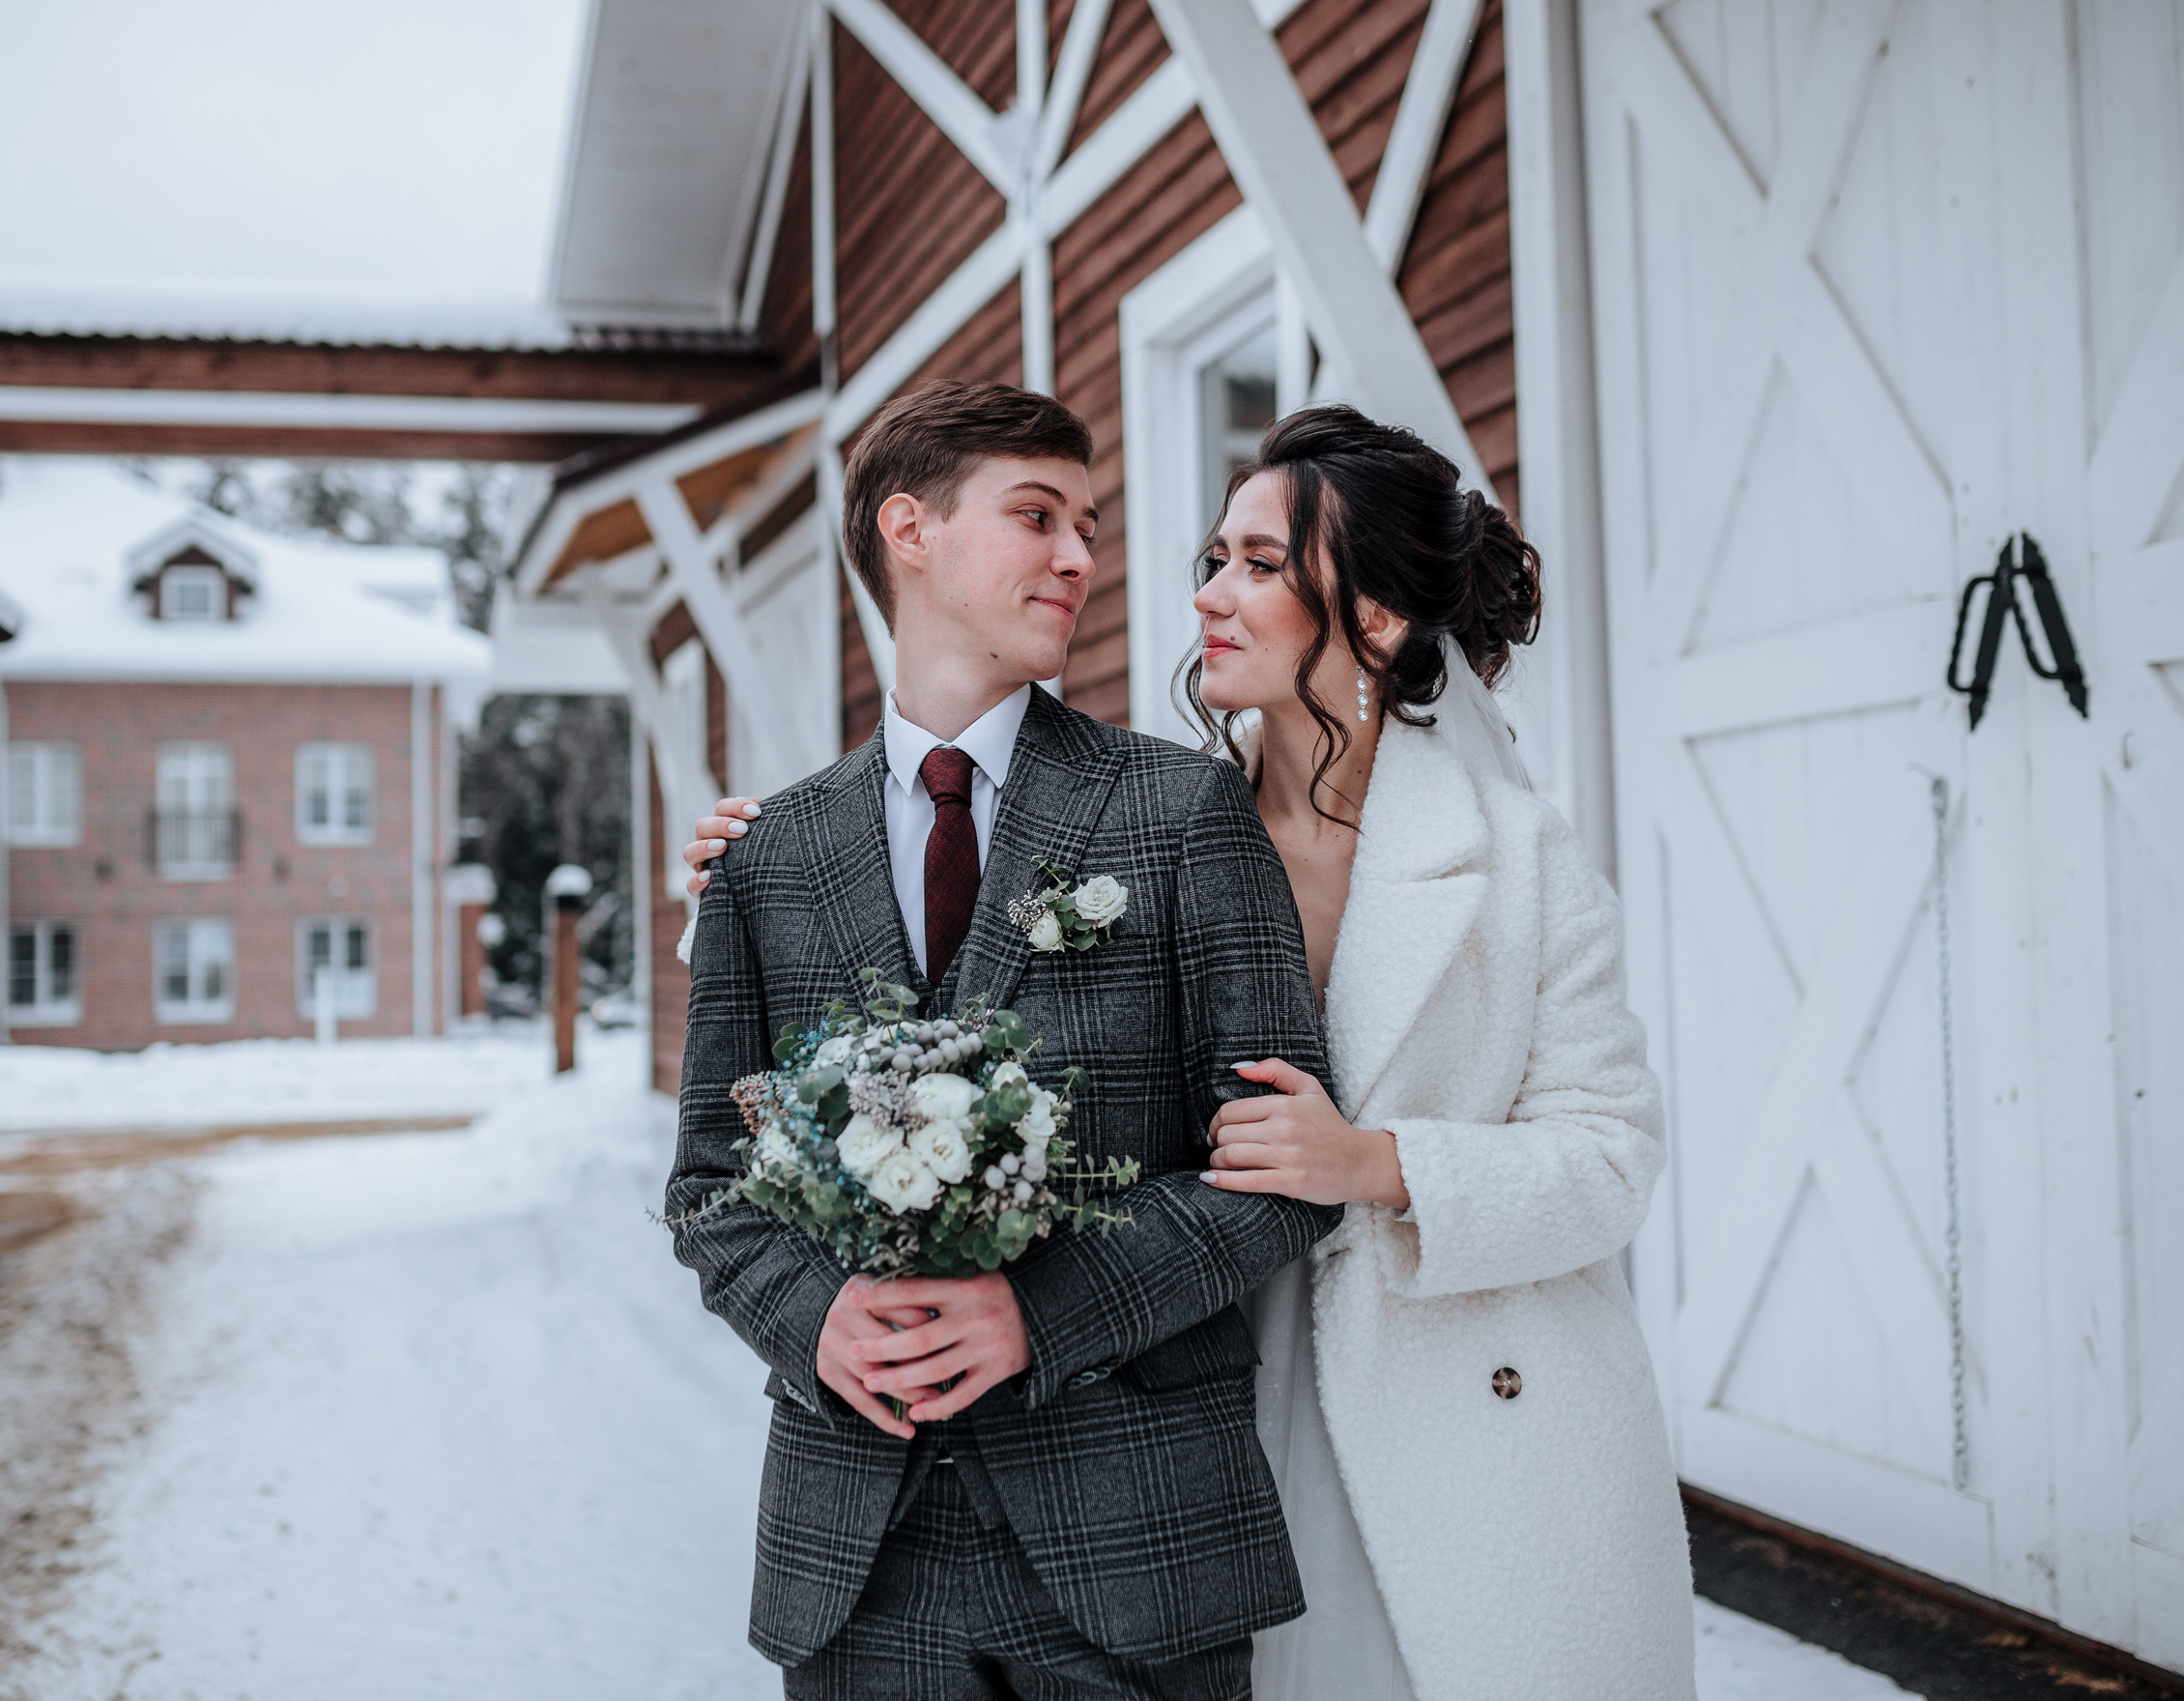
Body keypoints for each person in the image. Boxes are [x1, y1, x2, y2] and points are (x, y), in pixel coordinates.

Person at [688, 404, 1696, 1699]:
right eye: (1214, 558)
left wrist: (1378, 1161)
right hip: (1196, 1390)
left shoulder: (1500, 855)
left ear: (1374, 616)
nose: (1201, 592)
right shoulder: (1153, 813)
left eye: (1259, 564)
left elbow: (1612, 1152)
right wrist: (745, 878)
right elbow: (778, 1103)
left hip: (1445, 1392)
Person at [665, 378, 1342, 1701]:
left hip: (1135, 1541)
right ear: (908, 530)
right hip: (858, 1552)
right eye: (1038, 517)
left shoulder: (1186, 813)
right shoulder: (769, 859)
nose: (1080, 557)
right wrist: (817, 1322)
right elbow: (708, 1185)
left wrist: (1037, 1313)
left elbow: (1281, 1177)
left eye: (1087, 525)